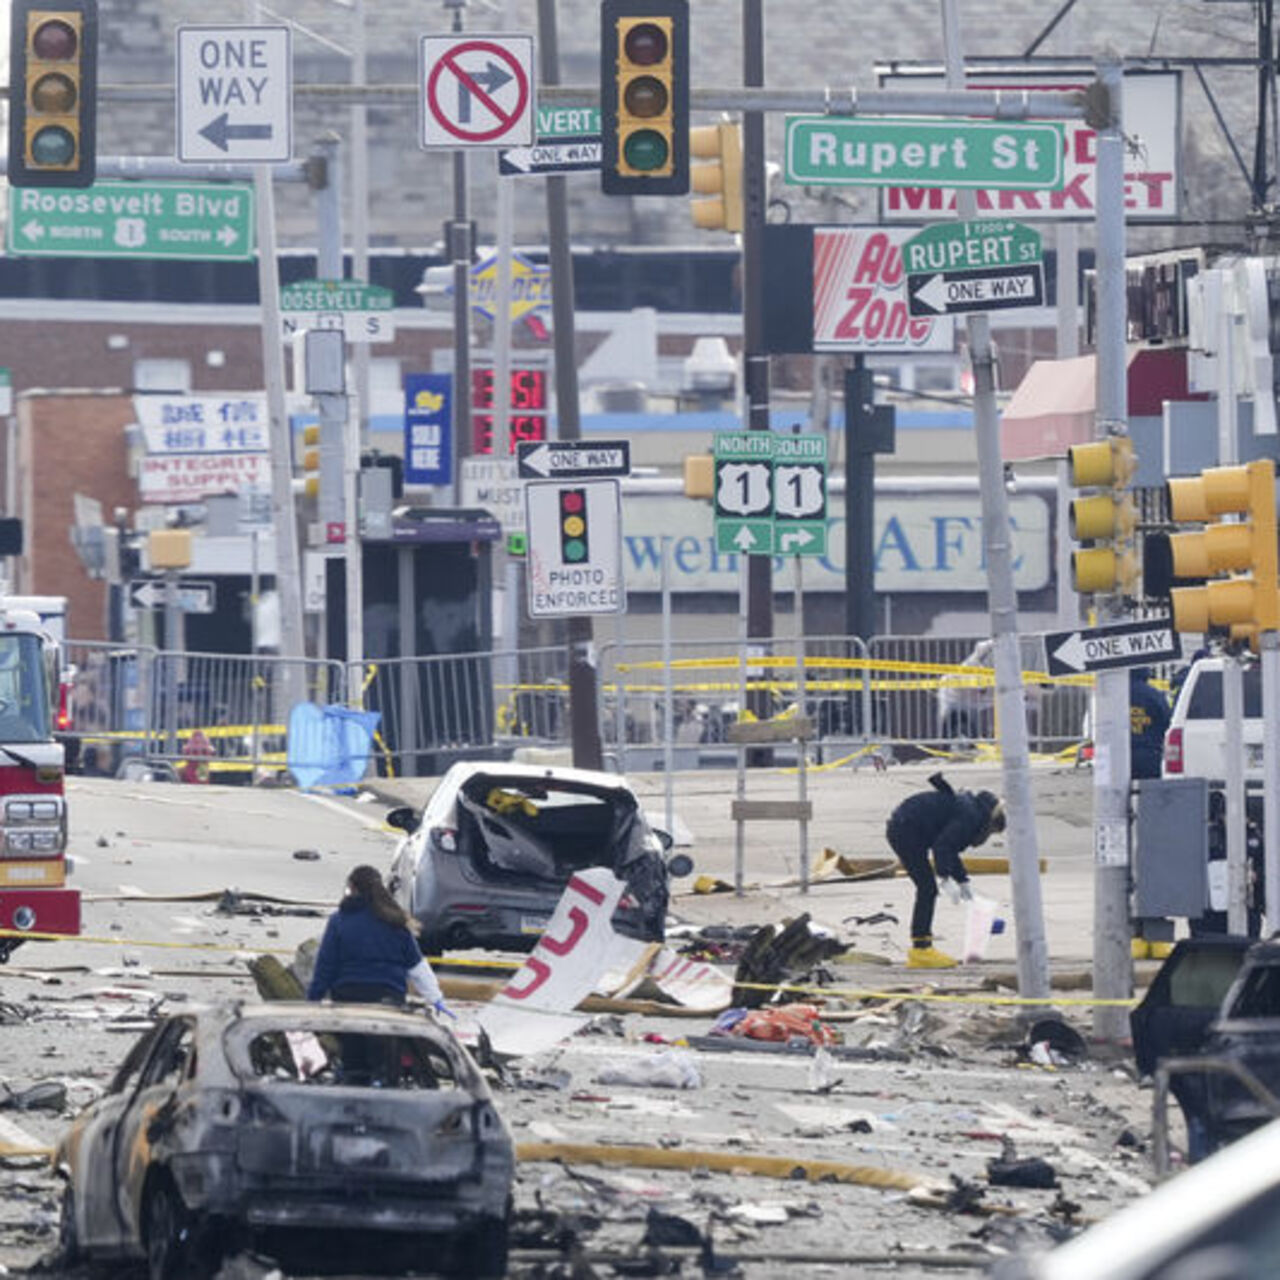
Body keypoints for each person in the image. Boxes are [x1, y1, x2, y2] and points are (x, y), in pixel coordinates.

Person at [885, 772, 1006, 969]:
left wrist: (962, 880)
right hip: (905, 830)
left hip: (905, 827)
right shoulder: (970, 817)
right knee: (927, 889)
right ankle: (921, 950)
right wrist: (944, 877)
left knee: (926, 889)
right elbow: (942, 847)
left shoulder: (970, 810)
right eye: (992, 832)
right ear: (991, 821)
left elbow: (951, 846)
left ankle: (921, 947)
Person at [308, 864, 450, 1014]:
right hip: (389, 997)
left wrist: (313, 1001)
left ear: (351, 888)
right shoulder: (396, 921)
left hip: (346, 998)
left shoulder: (339, 921)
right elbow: (417, 967)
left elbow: (325, 966)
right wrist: (436, 998)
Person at [1129, 667, 1171, 782]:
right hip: (1150, 754)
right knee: (1149, 794)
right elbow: (1167, 721)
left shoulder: (1115, 695)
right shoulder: (1154, 695)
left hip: (1120, 756)